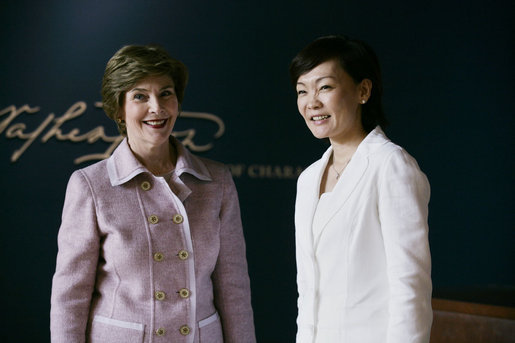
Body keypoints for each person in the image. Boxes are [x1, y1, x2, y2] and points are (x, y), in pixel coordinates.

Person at [50, 45, 256, 343]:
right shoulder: (90, 185)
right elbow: (70, 295)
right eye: (140, 96)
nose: (157, 107)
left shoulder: (216, 181)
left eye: (166, 93)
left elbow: (234, 288)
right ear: (119, 108)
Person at [289, 35, 432, 342]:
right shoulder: (308, 179)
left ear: (363, 90)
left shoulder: (391, 166)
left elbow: (410, 286)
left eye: (325, 87)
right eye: (302, 91)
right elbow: (307, 290)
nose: (312, 102)